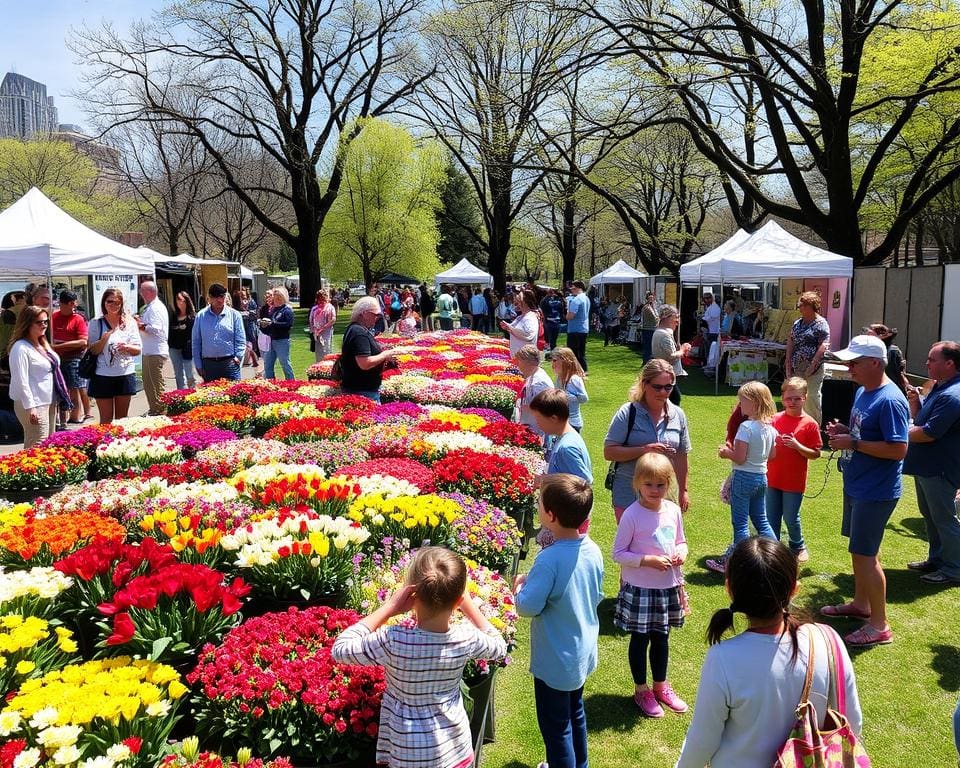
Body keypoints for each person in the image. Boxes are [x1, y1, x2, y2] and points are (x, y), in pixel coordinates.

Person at [676, 537, 862, 768]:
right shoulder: (827, 639)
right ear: (794, 589)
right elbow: (852, 721)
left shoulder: (723, 659)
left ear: (729, 590)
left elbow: (702, 740)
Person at [331, 546, 506, 768]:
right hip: (454, 748)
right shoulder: (466, 637)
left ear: (412, 594)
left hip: (406, 750)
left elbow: (341, 649)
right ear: (456, 601)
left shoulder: (394, 639)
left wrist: (389, 608)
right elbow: (499, 647)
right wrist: (468, 605)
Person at [822, 334, 909, 647]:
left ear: (875, 362)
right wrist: (846, 432)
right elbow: (865, 433)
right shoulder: (863, 391)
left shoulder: (890, 399)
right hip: (859, 483)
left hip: (876, 490)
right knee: (861, 552)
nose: (848, 367)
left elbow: (899, 449)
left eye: (854, 362)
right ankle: (862, 605)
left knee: (865, 554)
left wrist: (854, 443)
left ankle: (880, 624)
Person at [514, 474, 603, 768]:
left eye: (539, 503)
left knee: (556, 729)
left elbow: (527, 606)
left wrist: (518, 588)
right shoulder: (592, 550)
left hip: (556, 658)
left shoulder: (549, 559)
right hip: (581, 651)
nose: (537, 506)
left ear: (550, 515)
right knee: (575, 713)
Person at [613, 452, 688, 718]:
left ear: (669, 484)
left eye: (661, 485)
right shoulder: (632, 515)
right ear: (637, 484)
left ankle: (661, 685)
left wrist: (682, 553)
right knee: (640, 638)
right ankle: (641, 689)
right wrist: (647, 560)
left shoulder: (673, 510)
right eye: (648, 485)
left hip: (667, 587)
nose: (655, 490)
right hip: (640, 589)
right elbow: (618, 553)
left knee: (661, 637)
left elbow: (681, 541)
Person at [604, 359, 692, 522]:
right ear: (644, 384)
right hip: (629, 493)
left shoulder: (678, 415)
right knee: (632, 545)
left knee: (663, 543)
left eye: (668, 387)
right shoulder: (628, 413)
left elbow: (681, 455)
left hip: (664, 494)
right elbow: (609, 452)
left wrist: (683, 491)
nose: (663, 392)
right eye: (657, 387)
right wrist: (644, 449)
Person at [903, 341, 960, 586]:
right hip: (928, 466)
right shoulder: (940, 388)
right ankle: (938, 558)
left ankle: (954, 568)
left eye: (932, 359)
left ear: (950, 363)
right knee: (931, 515)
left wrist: (896, 432)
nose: (926, 363)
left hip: (940, 468)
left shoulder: (952, 395)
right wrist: (916, 404)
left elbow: (929, 433)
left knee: (944, 519)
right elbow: (923, 420)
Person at [706, 381, 778, 574]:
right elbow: (772, 456)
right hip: (761, 478)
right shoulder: (770, 429)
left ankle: (737, 564)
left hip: (743, 478)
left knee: (740, 523)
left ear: (754, 403)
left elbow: (739, 457)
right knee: (761, 520)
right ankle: (778, 558)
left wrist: (725, 452)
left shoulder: (746, 427)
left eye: (742, 401)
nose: (739, 405)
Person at [766, 377, 822, 564]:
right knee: (771, 516)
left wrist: (798, 446)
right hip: (772, 477)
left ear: (805, 398)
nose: (792, 402)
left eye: (797, 399)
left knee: (791, 516)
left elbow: (815, 453)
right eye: (789, 398)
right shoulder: (774, 419)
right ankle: (773, 549)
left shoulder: (809, 423)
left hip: (793, 481)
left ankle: (797, 545)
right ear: (782, 397)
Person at [8, 305, 70, 448]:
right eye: (39, 322)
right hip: (33, 403)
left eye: (46, 321)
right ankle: (26, 470)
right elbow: (21, 380)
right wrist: (31, 407)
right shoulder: (20, 347)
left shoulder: (43, 343)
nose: (44, 325)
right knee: (37, 444)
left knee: (48, 444)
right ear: (27, 323)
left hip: (49, 400)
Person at [87, 288, 142, 424]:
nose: (113, 305)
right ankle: (104, 444)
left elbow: (138, 349)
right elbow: (92, 350)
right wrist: (104, 339)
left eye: (117, 302)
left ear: (122, 304)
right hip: (102, 375)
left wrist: (127, 347)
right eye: (109, 301)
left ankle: (119, 444)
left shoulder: (129, 323)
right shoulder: (96, 323)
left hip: (124, 374)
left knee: (122, 420)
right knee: (106, 421)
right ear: (104, 303)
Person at [339, 296, 405, 402]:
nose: (378, 317)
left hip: (359, 389)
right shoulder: (359, 333)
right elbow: (364, 363)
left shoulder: (355, 329)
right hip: (362, 392)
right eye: (376, 314)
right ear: (364, 313)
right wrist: (386, 354)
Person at [784, 291, 830, 425]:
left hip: (813, 370)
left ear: (812, 306)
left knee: (811, 399)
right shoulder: (798, 323)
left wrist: (813, 364)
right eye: (800, 305)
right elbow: (791, 340)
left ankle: (813, 428)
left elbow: (824, 344)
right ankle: (795, 426)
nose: (800, 307)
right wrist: (788, 361)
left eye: (803, 305)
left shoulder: (821, 323)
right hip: (796, 367)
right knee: (794, 397)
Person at [530, 388, 593, 484]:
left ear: (554, 418)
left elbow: (583, 484)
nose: (537, 423)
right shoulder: (564, 438)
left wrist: (544, 480)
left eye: (538, 418)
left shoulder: (566, 448)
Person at [51, 290, 92, 425]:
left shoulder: (78, 319)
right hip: (57, 357)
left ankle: (76, 415)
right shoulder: (53, 317)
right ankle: (63, 417)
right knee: (61, 387)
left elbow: (83, 341)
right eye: (71, 303)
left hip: (74, 356)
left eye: (74, 303)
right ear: (63, 303)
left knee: (75, 386)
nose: (74, 306)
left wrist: (59, 346)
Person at [192, 283, 246, 384]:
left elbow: (241, 339)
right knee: (211, 397)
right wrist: (198, 365)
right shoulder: (201, 316)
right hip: (209, 365)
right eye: (216, 297)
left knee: (234, 397)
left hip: (229, 363)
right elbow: (196, 342)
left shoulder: (235, 315)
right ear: (210, 298)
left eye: (222, 296)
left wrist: (238, 357)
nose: (220, 300)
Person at [135, 281, 170, 416]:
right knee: (149, 383)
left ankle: (160, 410)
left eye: (143, 291)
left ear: (151, 292)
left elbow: (156, 329)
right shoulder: (151, 307)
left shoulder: (155, 308)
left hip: (155, 351)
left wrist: (140, 325)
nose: (141, 294)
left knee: (155, 383)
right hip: (150, 350)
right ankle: (155, 408)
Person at [652, 304, 691, 406]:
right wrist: (682, 350)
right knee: (674, 400)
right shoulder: (663, 334)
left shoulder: (663, 333)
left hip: (665, 373)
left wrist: (680, 349)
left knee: (672, 399)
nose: (678, 321)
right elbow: (671, 357)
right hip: (665, 374)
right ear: (667, 317)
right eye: (676, 317)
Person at [513, 344, 553, 439]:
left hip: (538, 432)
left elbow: (546, 410)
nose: (517, 364)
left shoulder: (539, 383)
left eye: (519, 361)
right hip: (531, 427)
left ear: (527, 362)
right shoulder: (532, 375)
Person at [259, 286, 295, 380]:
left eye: (279, 298)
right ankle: (271, 384)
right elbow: (269, 327)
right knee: (268, 364)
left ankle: (291, 383)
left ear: (284, 298)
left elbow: (288, 325)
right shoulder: (274, 310)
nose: (277, 300)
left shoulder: (287, 310)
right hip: (271, 340)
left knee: (285, 363)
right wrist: (263, 326)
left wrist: (272, 324)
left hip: (282, 340)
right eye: (275, 298)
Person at [863, 323, 909, 394]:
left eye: (870, 334)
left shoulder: (892, 351)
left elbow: (899, 374)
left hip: (890, 390)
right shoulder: (870, 351)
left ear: (881, 336)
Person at [550, 347, 588, 433]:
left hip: (572, 423)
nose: (552, 364)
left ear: (565, 361)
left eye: (555, 360)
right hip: (561, 421)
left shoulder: (574, 380)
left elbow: (584, 399)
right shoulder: (559, 378)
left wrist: (567, 396)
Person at [168, 291, 197, 390]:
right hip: (174, 348)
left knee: (190, 373)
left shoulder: (192, 317)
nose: (179, 302)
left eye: (181, 300)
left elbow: (195, 335)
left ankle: (192, 392)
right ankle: (181, 394)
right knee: (178, 373)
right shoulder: (173, 316)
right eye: (177, 300)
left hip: (187, 349)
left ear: (186, 301)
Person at [500, 289, 540, 358]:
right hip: (518, 358)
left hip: (526, 359)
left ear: (525, 302)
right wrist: (507, 327)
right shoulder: (520, 317)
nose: (515, 302)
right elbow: (514, 331)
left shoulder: (530, 318)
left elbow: (528, 336)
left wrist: (510, 328)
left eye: (518, 300)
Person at [565, 280, 590, 373]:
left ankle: (577, 370)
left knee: (573, 353)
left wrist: (566, 314)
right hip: (584, 328)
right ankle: (584, 370)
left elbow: (570, 316)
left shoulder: (576, 300)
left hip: (575, 329)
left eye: (573, 287)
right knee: (581, 352)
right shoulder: (586, 298)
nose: (571, 290)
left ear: (578, 288)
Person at [308, 289, 337, 363]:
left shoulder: (330, 308)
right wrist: (313, 331)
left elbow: (333, 320)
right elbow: (311, 321)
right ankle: (319, 367)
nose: (322, 301)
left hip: (326, 332)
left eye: (323, 299)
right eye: (320, 299)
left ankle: (327, 367)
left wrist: (322, 328)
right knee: (318, 351)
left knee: (326, 350)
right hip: (316, 332)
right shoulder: (314, 309)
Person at [238, 289, 260, 368]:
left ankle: (254, 359)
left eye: (243, 295)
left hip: (250, 325)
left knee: (251, 342)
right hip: (243, 325)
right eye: (241, 296)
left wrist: (246, 313)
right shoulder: (239, 303)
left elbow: (254, 314)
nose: (242, 297)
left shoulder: (251, 302)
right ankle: (251, 359)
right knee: (246, 343)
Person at [540, 288, 564, 353]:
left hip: (548, 322)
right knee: (554, 340)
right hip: (557, 322)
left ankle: (551, 353)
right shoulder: (558, 301)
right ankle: (553, 352)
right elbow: (562, 311)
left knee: (548, 340)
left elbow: (542, 310)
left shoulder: (544, 301)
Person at [700, 292, 721, 356]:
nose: (705, 301)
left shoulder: (715, 307)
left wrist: (703, 318)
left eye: (706, 299)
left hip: (713, 332)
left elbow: (712, 317)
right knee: (708, 347)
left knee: (710, 349)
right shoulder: (710, 306)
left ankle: (709, 362)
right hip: (710, 330)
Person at [640, 291, 658, 363]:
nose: (652, 299)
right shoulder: (647, 307)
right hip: (648, 329)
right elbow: (655, 318)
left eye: (652, 298)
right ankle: (646, 361)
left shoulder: (651, 307)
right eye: (650, 298)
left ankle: (648, 361)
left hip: (652, 328)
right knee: (648, 347)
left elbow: (656, 316)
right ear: (647, 299)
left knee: (650, 346)